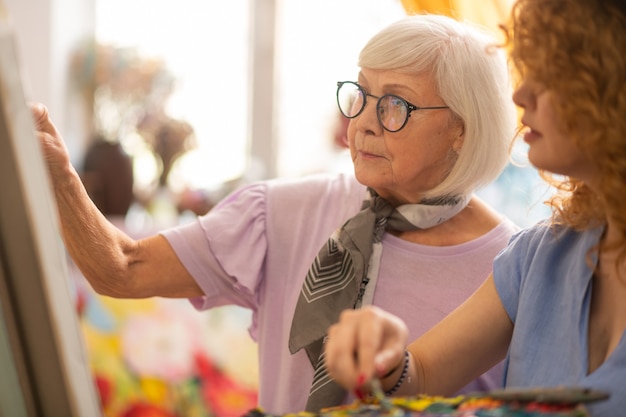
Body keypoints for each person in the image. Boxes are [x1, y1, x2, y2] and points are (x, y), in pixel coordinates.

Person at [30, 13, 517, 414]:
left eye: (395, 105)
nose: (364, 122)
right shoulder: (281, 212)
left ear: (462, 128)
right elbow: (123, 268)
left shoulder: (515, 267)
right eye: (361, 95)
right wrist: (59, 175)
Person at [323, 1, 626, 416]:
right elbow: (423, 374)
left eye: (554, 72)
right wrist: (388, 359)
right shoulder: (537, 255)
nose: (521, 93)